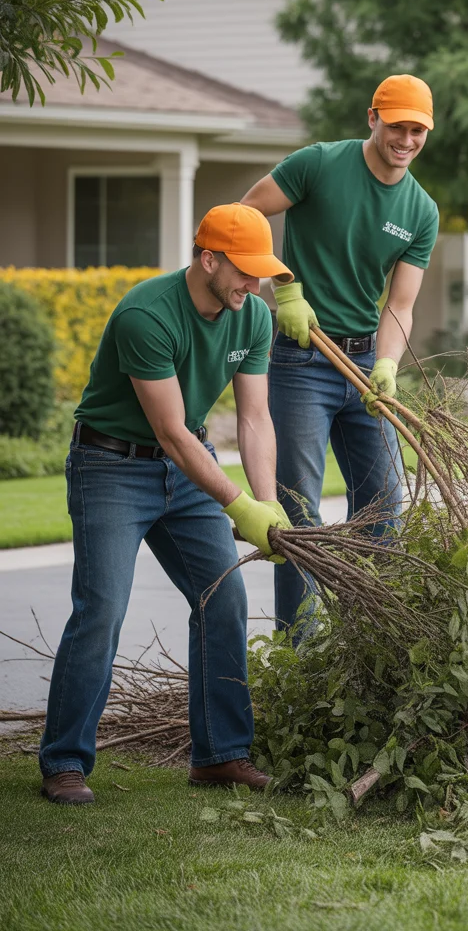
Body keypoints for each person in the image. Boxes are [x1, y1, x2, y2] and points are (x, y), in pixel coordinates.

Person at [39, 203, 294, 804]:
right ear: (208, 259)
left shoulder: (253, 317)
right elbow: (172, 431)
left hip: (184, 470)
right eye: (243, 271)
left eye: (261, 274)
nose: (253, 285)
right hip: (111, 466)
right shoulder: (145, 314)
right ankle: (65, 762)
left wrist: (266, 504)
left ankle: (220, 756)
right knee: (101, 607)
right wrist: (238, 506)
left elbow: (256, 418)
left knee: (223, 596)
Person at [241, 74, 440, 633]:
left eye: (417, 129)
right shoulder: (318, 164)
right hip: (301, 361)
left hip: (361, 367)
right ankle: (298, 654)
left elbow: (400, 303)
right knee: (299, 510)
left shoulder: (421, 211)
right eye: (397, 125)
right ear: (372, 118)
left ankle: (366, 644)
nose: (406, 138)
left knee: (383, 508)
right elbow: (244, 220)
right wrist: (284, 286)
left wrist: (388, 364)